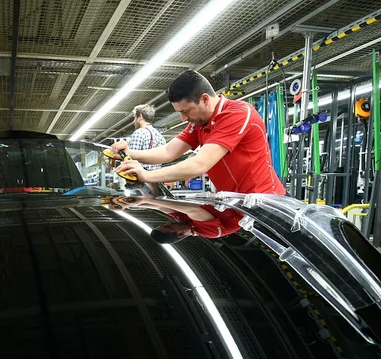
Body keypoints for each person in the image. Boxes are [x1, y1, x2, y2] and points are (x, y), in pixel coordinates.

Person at [110, 70, 285, 195]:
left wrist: (146, 175)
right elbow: (168, 151)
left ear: (205, 99)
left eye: (186, 111)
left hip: (265, 203)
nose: (183, 119)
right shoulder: (201, 123)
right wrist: (127, 153)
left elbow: (199, 165)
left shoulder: (236, 114)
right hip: (235, 203)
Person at [109, 195, 242, 242]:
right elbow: (193, 210)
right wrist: (145, 199)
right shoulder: (209, 232)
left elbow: (161, 208)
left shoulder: (182, 223)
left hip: (232, 197)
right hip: (247, 205)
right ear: (180, 234)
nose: (168, 222)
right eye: (168, 227)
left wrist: (128, 206)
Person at [126, 104, 166, 171]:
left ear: (140, 117)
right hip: (156, 178)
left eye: (135, 117)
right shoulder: (161, 137)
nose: (134, 121)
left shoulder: (139, 133)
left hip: (141, 178)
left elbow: (130, 159)